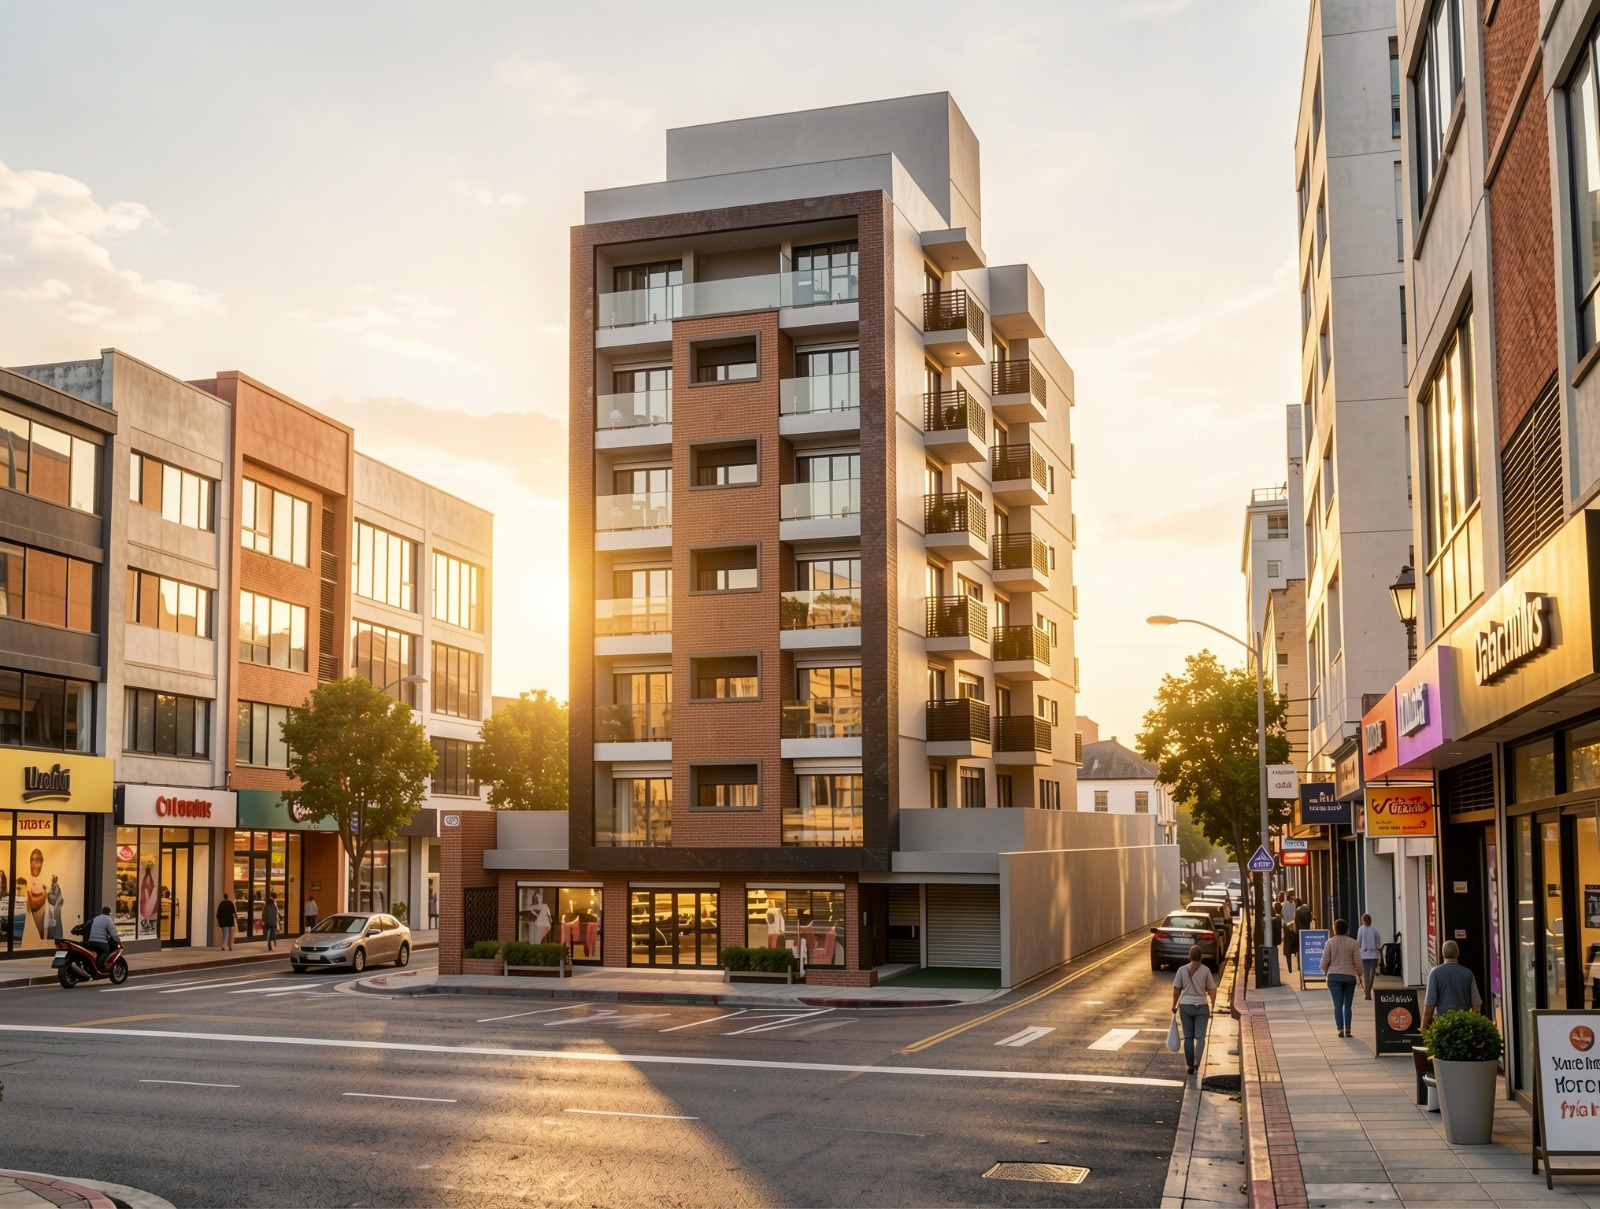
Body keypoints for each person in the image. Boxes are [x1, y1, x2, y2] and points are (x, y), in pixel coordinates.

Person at [1171, 944, 1219, 1076]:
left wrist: (1174, 1005)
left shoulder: (1182, 970)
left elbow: (1177, 989)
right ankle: (1197, 1063)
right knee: (1201, 1037)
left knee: (1188, 1037)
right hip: (1202, 1006)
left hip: (1185, 1006)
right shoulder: (1206, 970)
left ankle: (1190, 1065)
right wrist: (1213, 1005)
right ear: (1201, 957)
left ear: (1189, 956)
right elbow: (1212, 989)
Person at [1421, 940, 1482, 1028]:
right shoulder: (1468, 973)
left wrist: (1424, 1029)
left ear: (1443, 953)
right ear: (1458, 953)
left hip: (1443, 1024)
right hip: (1464, 1024)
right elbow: (1476, 1004)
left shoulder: (1435, 973)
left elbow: (1429, 1006)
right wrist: (1474, 1025)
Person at [1321, 919, 1362, 1037]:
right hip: (1349, 976)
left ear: (1335, 929)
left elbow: (1324, 962)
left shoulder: (1329, 943)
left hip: (1334, 976)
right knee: (1348, 1004)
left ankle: (1340, 1029)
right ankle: (1348, 1028)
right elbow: (1358, 962)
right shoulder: (1353, 943)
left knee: (1337, 1004)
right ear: (1347, 930)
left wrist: (1326, 972)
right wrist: (1359, 974)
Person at [1356, 913, 1383, 1000]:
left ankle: (1367, 993)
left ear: (1363, 921)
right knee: (1371, 976)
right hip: (1373, 956)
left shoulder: (1360, 930)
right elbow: (1379, 943)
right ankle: (1368, 992)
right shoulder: (1375, 930)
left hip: (1364, 956)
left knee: (1366, 975)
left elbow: (1358, 943)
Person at [87, 906, 119, 973]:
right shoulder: (108, 919)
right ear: (109, 913)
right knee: (106, 950)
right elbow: (113, 933)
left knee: (98, 951)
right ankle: (101, 967)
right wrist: (119, 942)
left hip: (91, 940)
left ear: (102, 912)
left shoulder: (96, 918)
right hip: (101, 941)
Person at [1281, 895, 1298, 972]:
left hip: (1291, 927)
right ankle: (1289, 968)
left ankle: (1290, 968)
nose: (1293, 900)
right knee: (1289, 948)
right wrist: (1290, 925)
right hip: (1289, 928)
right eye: (1292, 898)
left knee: (1290, 947)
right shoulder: (1287, 905)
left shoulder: (1292, 905)